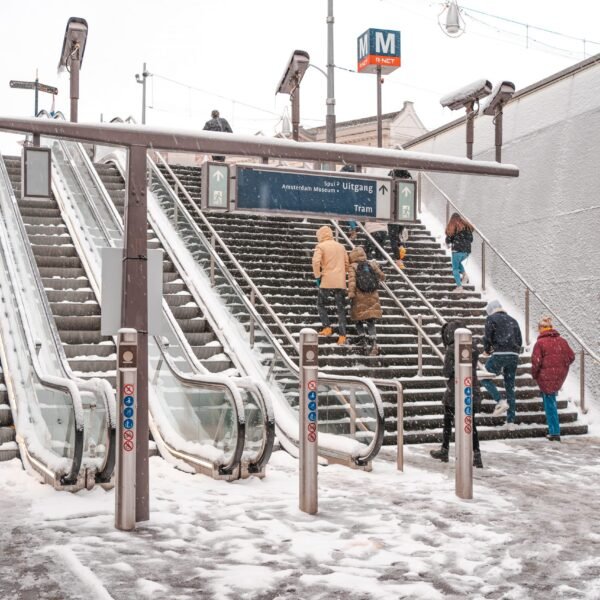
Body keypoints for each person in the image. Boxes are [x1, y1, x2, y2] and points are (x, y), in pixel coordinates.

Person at [430, 320, 484, 468]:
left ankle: (445, 449)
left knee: (448, 420)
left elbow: (446, 372)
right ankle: (477, 455)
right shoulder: (473, 347)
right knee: (470, 422)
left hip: (455, 389)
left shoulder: (451, 348)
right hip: (472, 387)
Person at [480, 299, 523, 429]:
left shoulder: (491, 319)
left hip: (500, 353)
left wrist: (487, 350)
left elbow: (487, 337)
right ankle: (510, 422)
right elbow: (519, 339)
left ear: (491, 311)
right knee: (510, 386)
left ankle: (500, 401)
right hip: (514, 355)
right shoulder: (513, 320)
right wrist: (513, 350)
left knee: (483, 376)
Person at [531, 316, 575, 441]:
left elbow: (536, 362)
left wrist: (535, 374)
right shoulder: (562, 341)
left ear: (541, 328)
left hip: (545, 376)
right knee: (551, 402)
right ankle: (554, 430)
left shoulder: (540, 343)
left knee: (549, 404)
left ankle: (554, 432)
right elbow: (571, 357)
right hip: (557, 375)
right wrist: (561, 367)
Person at [312, 225, 349, 345]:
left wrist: (318, 276)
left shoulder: (320, 246)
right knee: (340, 308)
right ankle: (342, 335)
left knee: (320, 303)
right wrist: (342, 274)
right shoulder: (341, 246)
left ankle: (327, 327)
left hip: (327, 280)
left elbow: (316, 262)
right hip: (340, 281)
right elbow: (347, 264)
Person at [347, 246, 385, 356]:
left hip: (359, 296)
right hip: (373, 296)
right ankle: (373, 343)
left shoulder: (353, 266)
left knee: (357, 319)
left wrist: (351, 293)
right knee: (370, 320)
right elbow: (382, 277)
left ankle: (362, 340)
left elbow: (352, 282)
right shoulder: (371, 264)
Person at [445, 212, 474, 294]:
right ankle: (465, 275)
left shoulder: (453, 226)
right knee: (457, 263)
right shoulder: (466, 227)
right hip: (466, 252)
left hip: (457, 250)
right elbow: (471, 240)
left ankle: (459, 286)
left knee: (455, 268)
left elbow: (448, 240)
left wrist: (449, 239)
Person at [387, 169, 411, 269]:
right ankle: (400, 246)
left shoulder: (392, 175)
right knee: (396, 236)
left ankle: (398, 260)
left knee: (393, 237)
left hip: (393, 216)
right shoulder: (406, 175)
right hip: (402, 214)